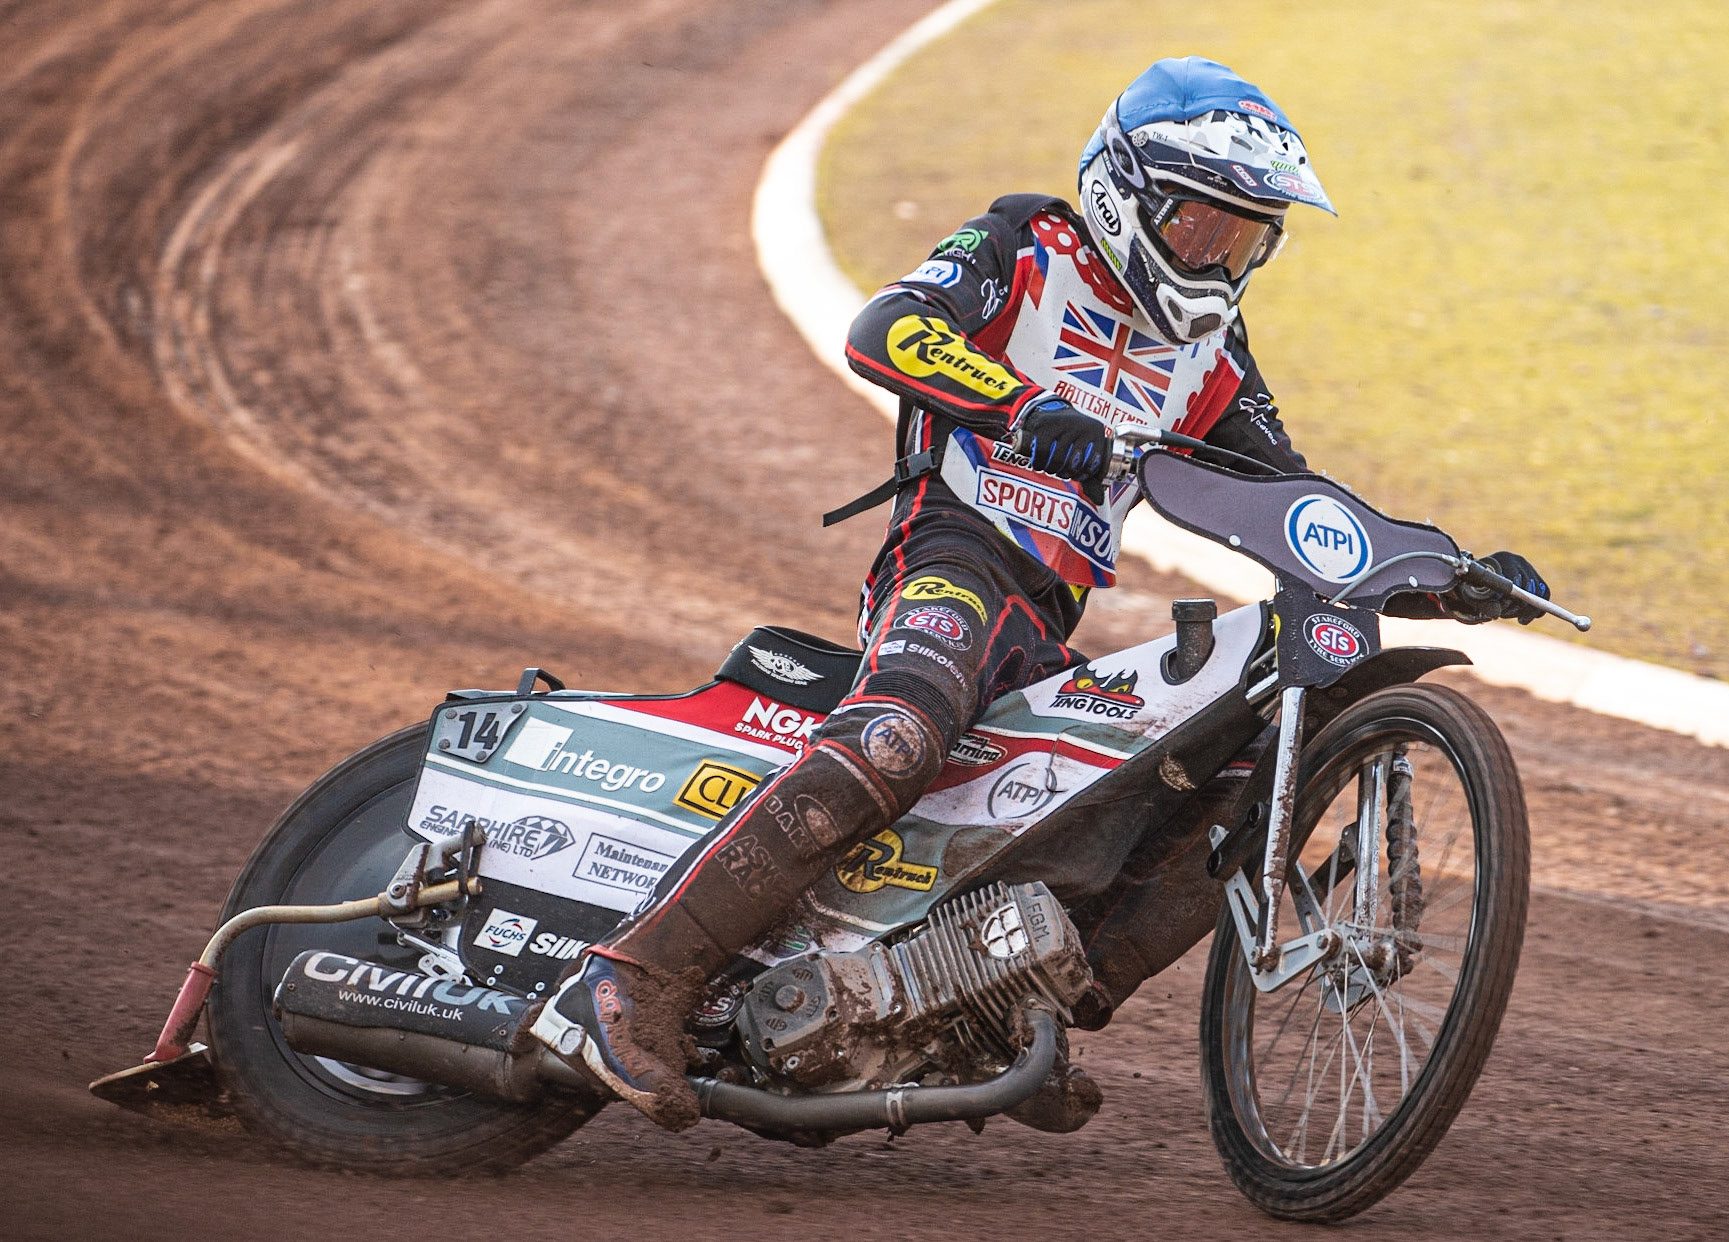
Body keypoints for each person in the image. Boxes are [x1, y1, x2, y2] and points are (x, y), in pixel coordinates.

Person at [527, 56, 1549, 1131]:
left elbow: (1290, 499)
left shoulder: (1213, 354)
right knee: (898, 737)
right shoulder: (1023, 242)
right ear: (1125, 194)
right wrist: (1018, 405)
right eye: (1201, 225)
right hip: (952, 556)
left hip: (1046, 621)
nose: (1218, 257)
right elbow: (888, 328)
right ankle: (631, 980)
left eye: (1245, 238)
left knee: (1190, 787)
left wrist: (1438, 574)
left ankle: (994, 1014)